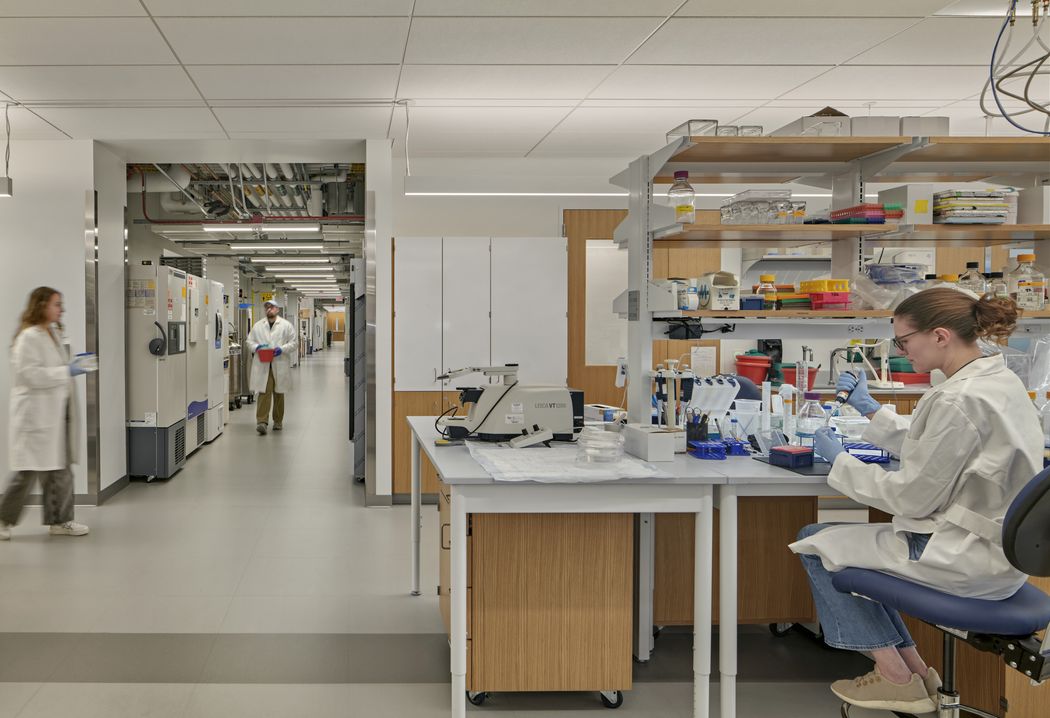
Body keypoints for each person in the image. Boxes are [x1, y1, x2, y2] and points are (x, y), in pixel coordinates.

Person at [790, 287, 1042, 715]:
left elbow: (912, 497)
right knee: (840, 543)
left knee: (816, 543)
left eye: (905, 342)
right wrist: (872, 411)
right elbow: (943, 451)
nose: (901, 352)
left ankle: (895, 677)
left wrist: (841, 463)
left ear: (940, 336)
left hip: (963, 557)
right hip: (1001, 557)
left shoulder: (956, 398)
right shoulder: (995, 380)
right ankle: (915, 673)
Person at [1, 287, 96, 541]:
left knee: (62, 470)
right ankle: (2, 519)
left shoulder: (53, 332)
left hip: (58, 413)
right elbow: (29, 375)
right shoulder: (28, 337)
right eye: (56, 304)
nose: (61, 309)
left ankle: (60, 520)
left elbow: (57, 367)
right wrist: (66, 372)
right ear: (41, 305)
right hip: (36, 416)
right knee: (27, 473)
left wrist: (76, 364)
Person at [247, 299, 297, 435]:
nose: (269, 309)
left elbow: (294, 343)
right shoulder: (258, 326)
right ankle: (261, 422)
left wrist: (282, 349)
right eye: (267, 307)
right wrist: (257, 347)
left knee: (279, 393)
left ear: (277, 310)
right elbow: (249, 342)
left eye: (272, 307)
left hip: (279, 363)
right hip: (263, 363)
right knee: (264, 392)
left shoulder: (286, 325)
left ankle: (278, 421)